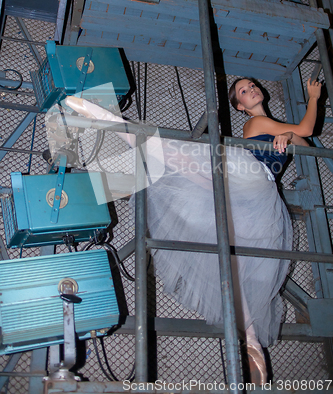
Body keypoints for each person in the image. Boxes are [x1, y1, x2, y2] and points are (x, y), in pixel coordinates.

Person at [64, 76, 321, 384]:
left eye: (251, 84)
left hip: (252, 194)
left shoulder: (272, 127)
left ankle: (252, 341)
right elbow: (307, 130)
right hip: (247, 180)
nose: (251, 89)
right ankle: (110, 120)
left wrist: (289, 136)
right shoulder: (256, 125)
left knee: (235, 265)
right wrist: (313, 98)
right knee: (176, 157)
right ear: (240, 106)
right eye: (243, 90)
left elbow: (304, 141)